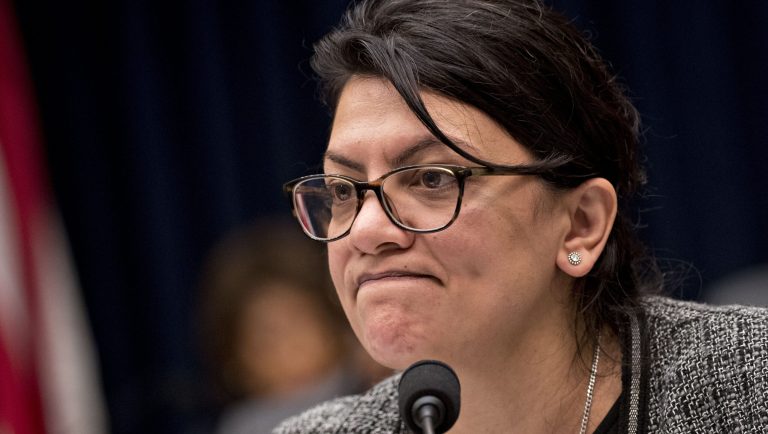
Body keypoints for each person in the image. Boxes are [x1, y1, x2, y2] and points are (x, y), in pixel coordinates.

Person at [275, 0, 768, 433]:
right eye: (344, 190)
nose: (366, 230)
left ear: (581, 224)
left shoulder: (748, 386)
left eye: (432, 179)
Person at [198, 218, 390, 434]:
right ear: (235, 363)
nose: (290, 346)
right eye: (267, 338)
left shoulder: (380, 378)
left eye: (298, 321)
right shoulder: (245, 425)